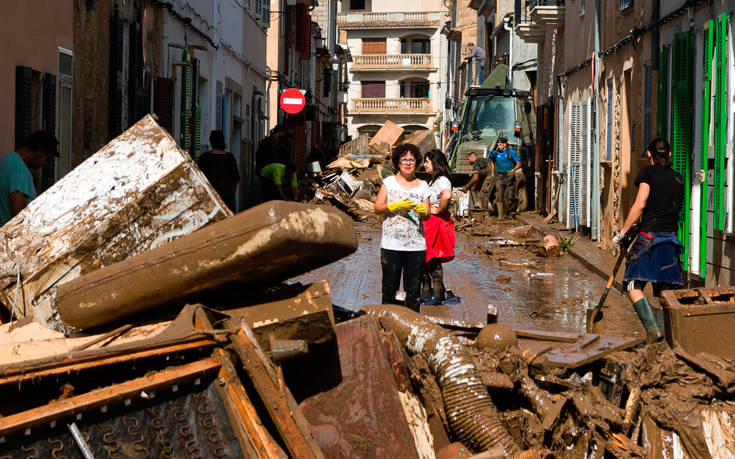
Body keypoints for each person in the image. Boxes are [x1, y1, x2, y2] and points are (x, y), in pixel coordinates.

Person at [614, 138, 684, 343]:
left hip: (649, 239)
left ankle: (654, 331)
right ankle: (666, 341)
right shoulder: (678, 178)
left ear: (649, 155)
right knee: (665, 291)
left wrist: (623, 232)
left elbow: (641, 203)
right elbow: (666, 208)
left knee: (632, 285)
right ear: (669, 155)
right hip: (671, 241)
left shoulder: (647, 173)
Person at [374, 143, 431, 312]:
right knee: (389, 291)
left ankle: (411, 329)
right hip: (391, 245)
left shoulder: (423, 185)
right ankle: (387, 327)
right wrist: (392, 206)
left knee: (413, 293)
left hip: (416, 246)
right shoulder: (389, 182)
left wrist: (423, 211)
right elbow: (377, 207)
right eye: (404, 159)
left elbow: (427, 213)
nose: (408, 163)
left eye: (411, 160)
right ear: (398, 162)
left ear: (417, 162)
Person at [0, 131, 59, 226]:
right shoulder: (20, 171)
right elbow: (18, 217)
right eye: (48, 158)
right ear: (40, 151)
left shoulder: (7, 160)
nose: (46, 163)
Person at [421, 150, 456, 305]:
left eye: (427, 161)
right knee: (425, 257)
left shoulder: (442, 179)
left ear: (435, 163)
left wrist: (438, 209)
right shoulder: (434, 180)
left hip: (434, 224)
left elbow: (447, 195)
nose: (424, 165)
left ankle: (436, 295)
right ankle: (432, 292)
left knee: (432, 257)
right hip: (430, 222)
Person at [197, 130, 240, 212]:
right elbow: (236, 180)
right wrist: (232, 196)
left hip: (210, 198)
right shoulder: (230, 158)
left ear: (211, 141)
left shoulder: (204, 157)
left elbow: (198, 178)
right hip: (227, 199)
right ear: (223, 141)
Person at [488, 135, 521, 220]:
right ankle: (501, 216)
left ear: (505, 144)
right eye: (498, 145)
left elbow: (518, 163)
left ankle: (513, 208)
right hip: (499, 175)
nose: (499, 146)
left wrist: (513, 170)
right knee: (499, 194)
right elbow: (491, 160)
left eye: (500, 145)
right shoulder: (495, 153)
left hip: (509, 175)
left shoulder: (511, 152)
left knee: (510, 196)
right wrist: (492, 171)